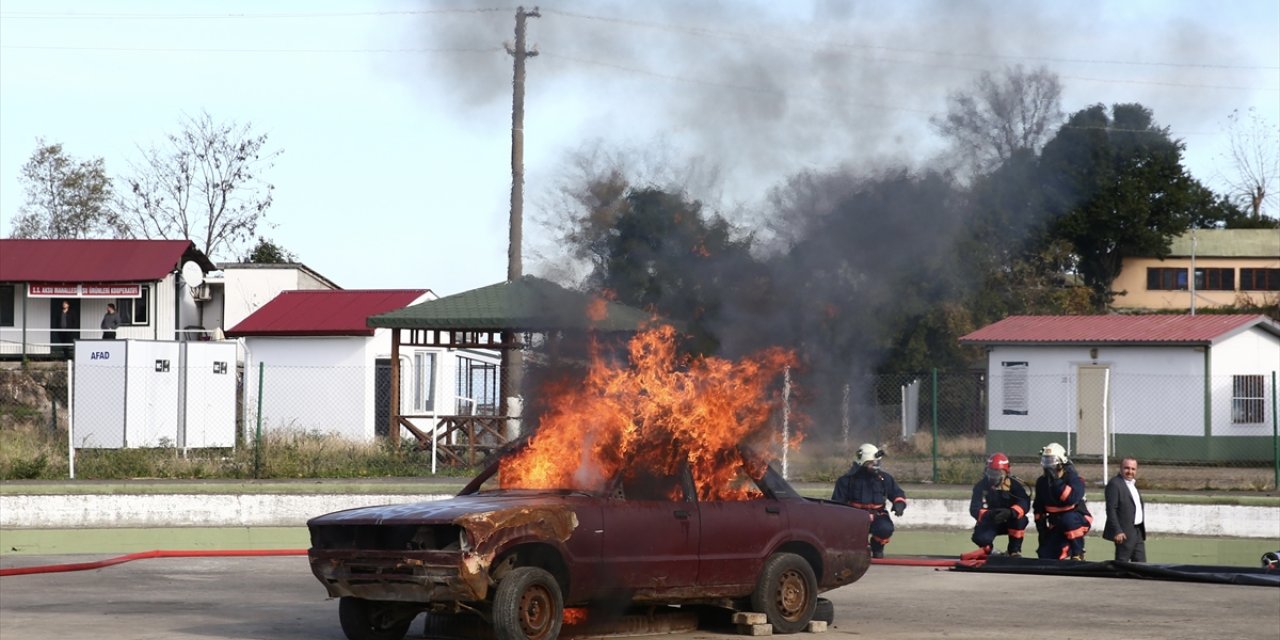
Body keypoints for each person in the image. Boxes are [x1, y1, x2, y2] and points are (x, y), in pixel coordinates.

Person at [832, 443, 907, 558]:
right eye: (872, 463)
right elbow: (837, 504)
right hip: (855, 517)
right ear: (863, 463)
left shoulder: (884, 478)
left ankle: (877, 546)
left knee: (885, 528)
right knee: (854, 554)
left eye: (876, 462)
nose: (876, 465)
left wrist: (899, 504)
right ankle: (856, 546)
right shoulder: (846, 481)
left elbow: (897, 493)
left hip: (878, 516)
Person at [1032, 442, 1092, 560]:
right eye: (1046, 461)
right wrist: (1042, 532)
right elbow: (1038, 508)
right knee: (1045, 555)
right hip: (1057, 524)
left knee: (1068, 519)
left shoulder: (1074, 479)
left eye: (1051, 462)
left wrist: (1056, 482)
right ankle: (1066, 547)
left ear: (1061, 462)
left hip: (1078, 520)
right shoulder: (1042, 483)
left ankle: (1078, 552)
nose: (1048, 466)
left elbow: (1070, 499)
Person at [969, 452, 1030, 557]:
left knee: (1021, 520)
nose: (993, 477)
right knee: (979, 537)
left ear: (1006, 473)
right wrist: (991, 514)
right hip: (990, 521)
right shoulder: (980, 487)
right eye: (991, 473)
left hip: (1009, 520)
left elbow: (1024, 503)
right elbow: (974, 509)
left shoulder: (1015, 486)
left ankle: (1014, 551)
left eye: (997, 473)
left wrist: (1011, 512)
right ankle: (990, 552)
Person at [1103, 457, 1146, 562]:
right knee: (1122, 563)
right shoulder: (1115, 484)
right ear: (1121, 468)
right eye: (1127, 468)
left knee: (1141, 564)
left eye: (1133, 469)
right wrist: (1117, 531)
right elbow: (1111, 509)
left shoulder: (1133, 485)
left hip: (1137, 532)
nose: (1130, 471)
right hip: (1124, 533)